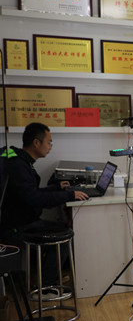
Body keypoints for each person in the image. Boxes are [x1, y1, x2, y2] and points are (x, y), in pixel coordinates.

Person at [0, 123, 88, 294]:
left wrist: (57, 188)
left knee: (62, 228)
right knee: (64, 234)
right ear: (36, 143)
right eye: (49, 142)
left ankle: (50, 277)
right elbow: (35, 199)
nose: (50, 147)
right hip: (16, 227)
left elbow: (31, 193)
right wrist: (70, 195)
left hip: (22, 221)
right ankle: (45, 288)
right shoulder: (19, 166)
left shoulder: (22, 161)